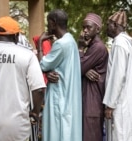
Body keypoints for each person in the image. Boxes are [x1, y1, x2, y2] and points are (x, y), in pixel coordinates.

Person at [0, 16, 45, 141]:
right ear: (16, 36)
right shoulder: (27, 55)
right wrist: (35, 112)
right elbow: (39, 90)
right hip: (17, 126)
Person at [36, 9, 82, 141]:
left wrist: (40, 44)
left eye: (48, 22)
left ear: (53, 23)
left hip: (60, 97)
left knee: (56, 133)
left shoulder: (61, 44)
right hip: (67, 97)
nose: (47, 26)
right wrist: (49, 72)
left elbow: (43, 65)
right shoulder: (71, 40)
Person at [103, 10, 132, 141]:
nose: (107, 28)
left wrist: (110, 104)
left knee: (119, 135)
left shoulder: (119, 44)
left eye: (108, 24)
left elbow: (118, 76)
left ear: (115, 25)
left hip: (119, 102)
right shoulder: (126, 43)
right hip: (124, 100)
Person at [78, 13, 109, 141]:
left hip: (93, 101)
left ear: (98, 29)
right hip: (89, 99)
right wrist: (85, 71)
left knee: (91, 135)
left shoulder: (98, 47)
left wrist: (80, 49)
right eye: (83, 27)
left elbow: (77, 69)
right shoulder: (91, 46)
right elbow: (81, 68)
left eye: (88, 27)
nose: (85, 30)